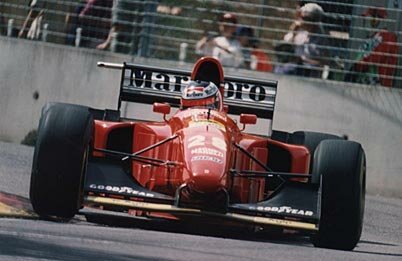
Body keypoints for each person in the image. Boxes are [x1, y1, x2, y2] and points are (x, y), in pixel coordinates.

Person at [345, 7, 398, 87]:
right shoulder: (370, 39)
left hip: (378, 87)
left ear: (378, 20)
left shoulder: (388, 37)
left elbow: (376, 58)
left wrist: (356, 67)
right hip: (363, 85)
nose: (365, 22)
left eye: (369, 19)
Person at [281, 3, 329, 78]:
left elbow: (322, 62)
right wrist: (293, 32)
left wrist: (303, 60)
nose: (301, 20)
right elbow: (286, 45)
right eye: (301, 17)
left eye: (304, 18)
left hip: (309, 70)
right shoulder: (299, 28)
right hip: (293, 66)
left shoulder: (321, 36)